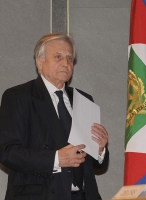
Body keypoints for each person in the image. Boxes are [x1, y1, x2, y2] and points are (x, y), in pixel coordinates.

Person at [0, 33, 109, 200]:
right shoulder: (18, 96)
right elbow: (7, 152)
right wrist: (56, 159)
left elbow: (93, 163)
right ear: (39, 61)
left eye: (70, 58)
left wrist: (100, 149)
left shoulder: (84, 99)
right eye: (58, 57)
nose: (65, 63)